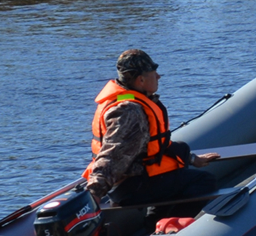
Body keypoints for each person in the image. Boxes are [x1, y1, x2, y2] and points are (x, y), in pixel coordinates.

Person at [82, 49, 219, 216]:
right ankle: (168, 224)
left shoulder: (125, 100)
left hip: (133, 181)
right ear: (141, 80)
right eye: (154, 73)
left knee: (179, 163)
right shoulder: (129, 111)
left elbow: (152, 146)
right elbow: (113, 154)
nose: (158, 77)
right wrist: (95, 192)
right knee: (204, 181)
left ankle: (156, 219)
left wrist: (190, 158)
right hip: (132, 186)